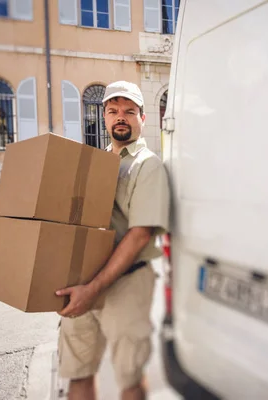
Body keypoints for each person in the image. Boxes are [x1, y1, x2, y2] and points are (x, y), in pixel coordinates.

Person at [55, 81, 171, 400]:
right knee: (78, 371)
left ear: (142, 118)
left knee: (129, 378)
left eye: (129, 111)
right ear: (104, 118)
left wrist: (93, 289)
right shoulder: (93, 163)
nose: (121, 117)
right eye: (113, 111)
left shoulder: (149, 166)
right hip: (83, 281)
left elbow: (140, 235)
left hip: (128, 282)